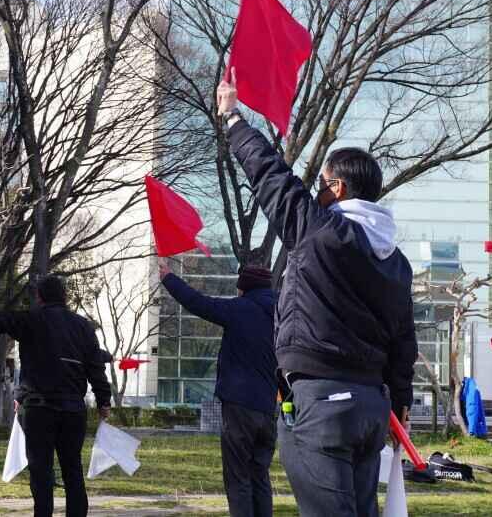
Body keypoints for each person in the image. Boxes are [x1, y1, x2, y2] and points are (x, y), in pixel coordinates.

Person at [217, 70, 418, 517]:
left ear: (339, 188)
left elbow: (270, 176)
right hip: (371, 407)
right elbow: (405, 338)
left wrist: (233, 118)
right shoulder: (397, 261)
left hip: (321, 403)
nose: (314, 193)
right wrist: (400, 401)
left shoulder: (319, 230)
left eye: (321, 184)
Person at [0, 275, 112, 517]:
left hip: (40, 409)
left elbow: (0, 319)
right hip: (73, 410)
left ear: (39, 297)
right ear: (64, 296)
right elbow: (95, 367)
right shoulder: (84, 327)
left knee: (41, 472)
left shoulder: (32, 320)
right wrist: (104, 401)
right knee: (73, 471)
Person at [158, 258, 277, 517]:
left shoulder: (240, 309)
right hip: (268, 408)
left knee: (238, 477)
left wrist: (168, 278)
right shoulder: (283, 314)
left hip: (239, 406)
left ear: (243, 288)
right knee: (260, 476)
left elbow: (200, 303)